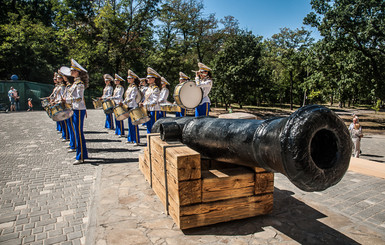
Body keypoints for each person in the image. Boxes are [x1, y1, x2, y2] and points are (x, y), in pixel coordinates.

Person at [65, 59, 89, 165]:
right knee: (77, 132)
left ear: (77, 72)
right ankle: (83, 154)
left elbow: (79, 98)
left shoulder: (79, 84)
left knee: (78, 133)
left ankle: (80, 156)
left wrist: (67, 100)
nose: (71, 73)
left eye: (73, 71)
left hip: (79, 110)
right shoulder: (75, 83)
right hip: (75, 109)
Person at [60, 66, 77, 153]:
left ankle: (73, 144)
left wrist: (65, 100)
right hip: (68, 106)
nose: (63, 78)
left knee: (72, 127)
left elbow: (76, 98)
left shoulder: (72, 85)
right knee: (70, 126)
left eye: (64, 76)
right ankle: (72, 143)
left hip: (71, 107)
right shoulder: (69, 86)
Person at [141, 67, 161, 133]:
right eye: (147, 78)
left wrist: (145, 104)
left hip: (154, 110)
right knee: (149, 127)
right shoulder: (149, 88)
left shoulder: (156, 89)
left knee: (154, 127)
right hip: (148, 109)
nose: (147, 79)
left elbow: (155, 101)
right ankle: (149, 142)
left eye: (149, 78)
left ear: (154, 79)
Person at [124, 69, 141, 145]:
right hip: (129, 106)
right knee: (130, 123)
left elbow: (132, 97)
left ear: (133, 79)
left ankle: (136, 140)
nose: (128, 79)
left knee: (134, 124)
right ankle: (130, 138)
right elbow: (127, 96)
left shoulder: (134, 87)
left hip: (133, 106)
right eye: (127, 78)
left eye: (129, 78)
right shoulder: (129, 87)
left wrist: (124, 102)